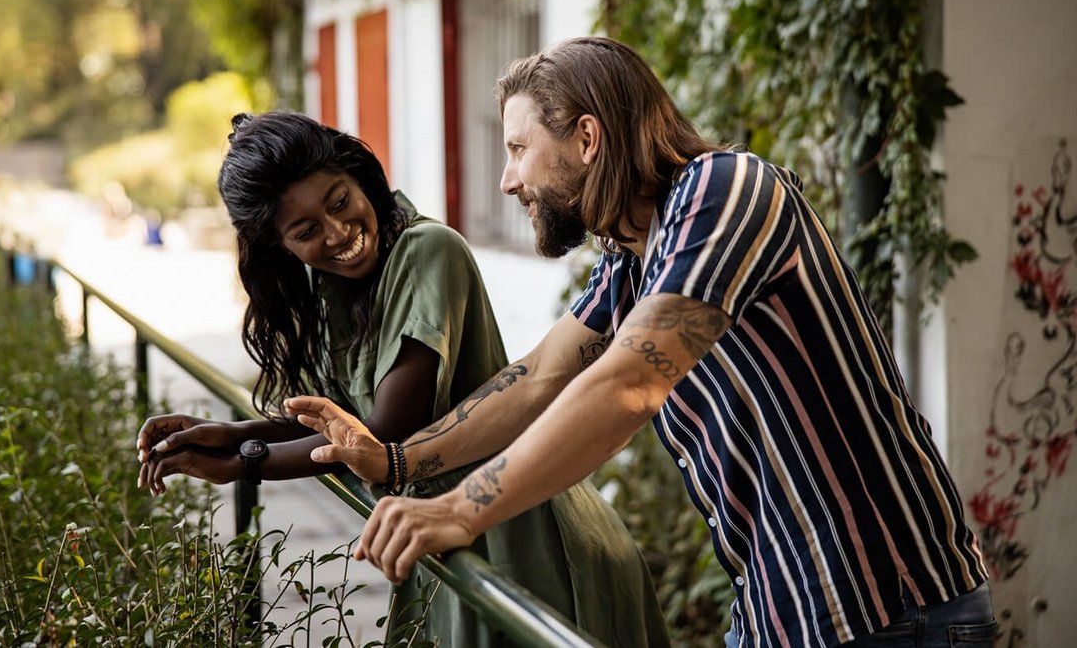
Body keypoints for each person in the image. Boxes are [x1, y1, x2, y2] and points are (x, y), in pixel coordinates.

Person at [288, 37, 996, 647]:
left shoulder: (724, 192)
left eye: (517, 150)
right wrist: (395, 459)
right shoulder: (634, 254)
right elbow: (541, 377)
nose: (508, 181)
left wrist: (458, 508)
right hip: (786, 611)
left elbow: (626, 384)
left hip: (896, 613)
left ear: (587, 140)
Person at [134, 111, 668, 647]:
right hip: (439, 541)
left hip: (528, 542)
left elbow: (383, 432)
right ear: (280, 247)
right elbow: (342, 425)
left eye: (340, 202)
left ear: (357, 176)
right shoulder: (331, 289)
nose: (339, 233)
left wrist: (243, 463)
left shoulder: (429, 251)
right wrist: (225, 434)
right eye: (307, 231)